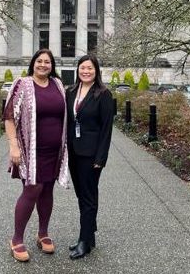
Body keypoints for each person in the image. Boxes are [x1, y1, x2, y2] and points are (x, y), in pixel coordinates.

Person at [3, 49, 68, 262]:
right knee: (32, 189)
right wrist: (13, 146)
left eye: (47, 62)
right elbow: (9, 116)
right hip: (31, 150)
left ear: (52, 66)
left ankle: (43, 233)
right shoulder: (22, 84)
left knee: (47, 189)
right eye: (39, 61)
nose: (43, 65)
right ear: (33, 64)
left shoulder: (58, 85)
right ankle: (16, 238)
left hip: (54, 151)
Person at [66, 54, 114, 259]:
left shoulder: (103, 94)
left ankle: (84, 241)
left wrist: (100, 158)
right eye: (82, 68)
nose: (85, 71)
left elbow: (106, 129)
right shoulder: (71, 91)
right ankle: (89, 236)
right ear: (78, 70)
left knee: (88, 197)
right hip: (74, 152)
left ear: (96, 71)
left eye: (90, 68)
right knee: (82, 195)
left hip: (91, 155)